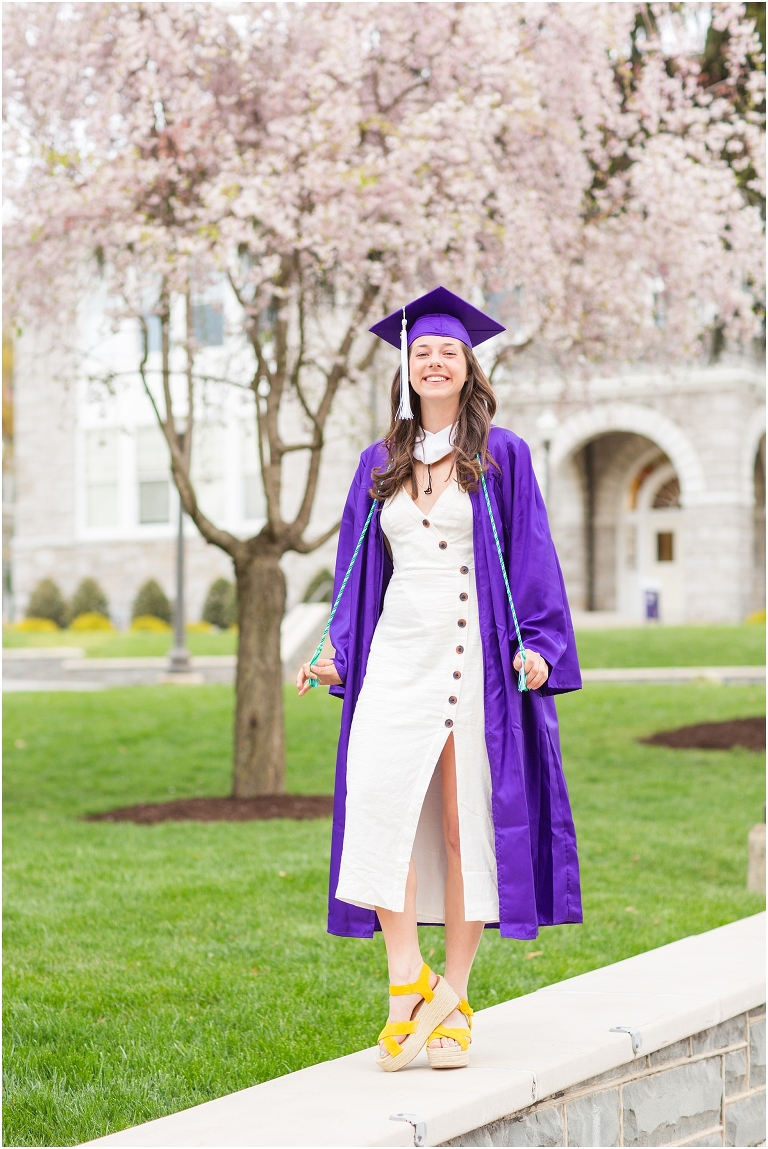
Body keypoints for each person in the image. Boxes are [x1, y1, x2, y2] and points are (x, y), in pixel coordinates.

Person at [297, 287, 582, 1072]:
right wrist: (335, 653)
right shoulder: (377, 463)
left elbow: (532, 556)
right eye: (421, 351)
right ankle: (404, 983)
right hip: (396, 657)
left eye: (447, 352)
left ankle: (453, 999)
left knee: (464, 830)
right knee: (380, 811)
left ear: (467, 367)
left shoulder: (503, 455)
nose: (433, 361)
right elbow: (354, 575)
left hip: (473, 664)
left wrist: (541, 646)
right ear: (406, 366)